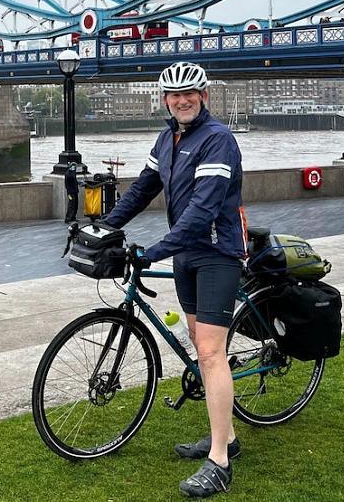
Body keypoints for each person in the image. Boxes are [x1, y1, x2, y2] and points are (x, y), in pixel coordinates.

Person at [102, 61, 245, 498]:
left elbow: (202, 211)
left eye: (190, 93)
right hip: (186, 256)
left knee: (209, 351)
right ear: (164, 100)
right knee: (197, 339)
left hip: (218, 253)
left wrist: (153, 251)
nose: (181, 100)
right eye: (173, 94)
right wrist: (105, 226)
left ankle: (219, 461)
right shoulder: (167, 138)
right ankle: (230, 436)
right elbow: (142, 189)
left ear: (204, 96)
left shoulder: (217, 139)